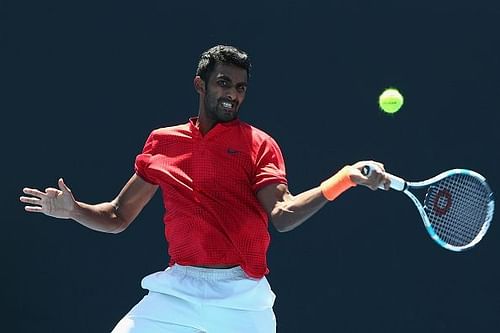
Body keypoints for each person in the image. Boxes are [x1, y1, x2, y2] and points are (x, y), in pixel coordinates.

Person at [19, 45, 390, 333]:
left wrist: (345, 178)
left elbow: (283, 215)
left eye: (241, 87)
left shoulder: (259, 145)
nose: (233, 94)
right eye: (224, 83)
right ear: (201, 84)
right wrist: (73, 210)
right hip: (177, 291)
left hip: (242, 298)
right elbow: (117, 216)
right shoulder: (163, 143)